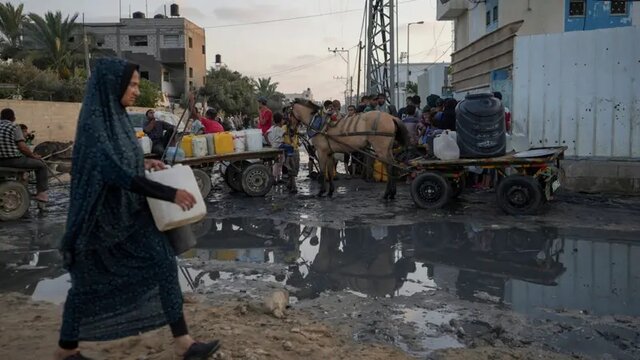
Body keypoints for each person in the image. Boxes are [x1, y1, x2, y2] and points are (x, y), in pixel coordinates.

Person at [55, 58, 219, 360]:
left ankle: (184, 344)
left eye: (136, 84)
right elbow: (115, 173)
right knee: (87, 284)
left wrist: (145, 162)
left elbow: (123, 162)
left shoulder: (116, 117)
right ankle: (66, 349)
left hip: (129, 214)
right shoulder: (95, 125)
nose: (135, 90)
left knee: (163, 263)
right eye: (130, 84)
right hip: (101, 220)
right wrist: (170, 193)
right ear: (111, 85)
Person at [0, 108, 49, 203]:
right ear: (13, 118)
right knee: (41, 165)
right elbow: (22, 147)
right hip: (11, 160)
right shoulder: (14, 127)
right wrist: (33, 156)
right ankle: (41, 193)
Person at [282, 117, 300, 194]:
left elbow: (297, 138)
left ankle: (289, 184)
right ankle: (294, 186)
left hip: (295, 149)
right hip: (288, 150)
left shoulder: (296, 128)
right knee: (291, 168)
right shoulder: (284, 128)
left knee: (295, 167)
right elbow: (281, 138)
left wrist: (298, 143)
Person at [267, 113, 285, 184]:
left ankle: (276, 178)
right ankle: (275, 178)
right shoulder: (279, 129)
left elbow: (265, 134)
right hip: (278, 147)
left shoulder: (272, 128)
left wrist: (269, 142)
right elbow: (285, 134)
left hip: (273, 146)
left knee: (276, 163)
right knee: (278, 163)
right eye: (283, 120)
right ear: (280, 121)